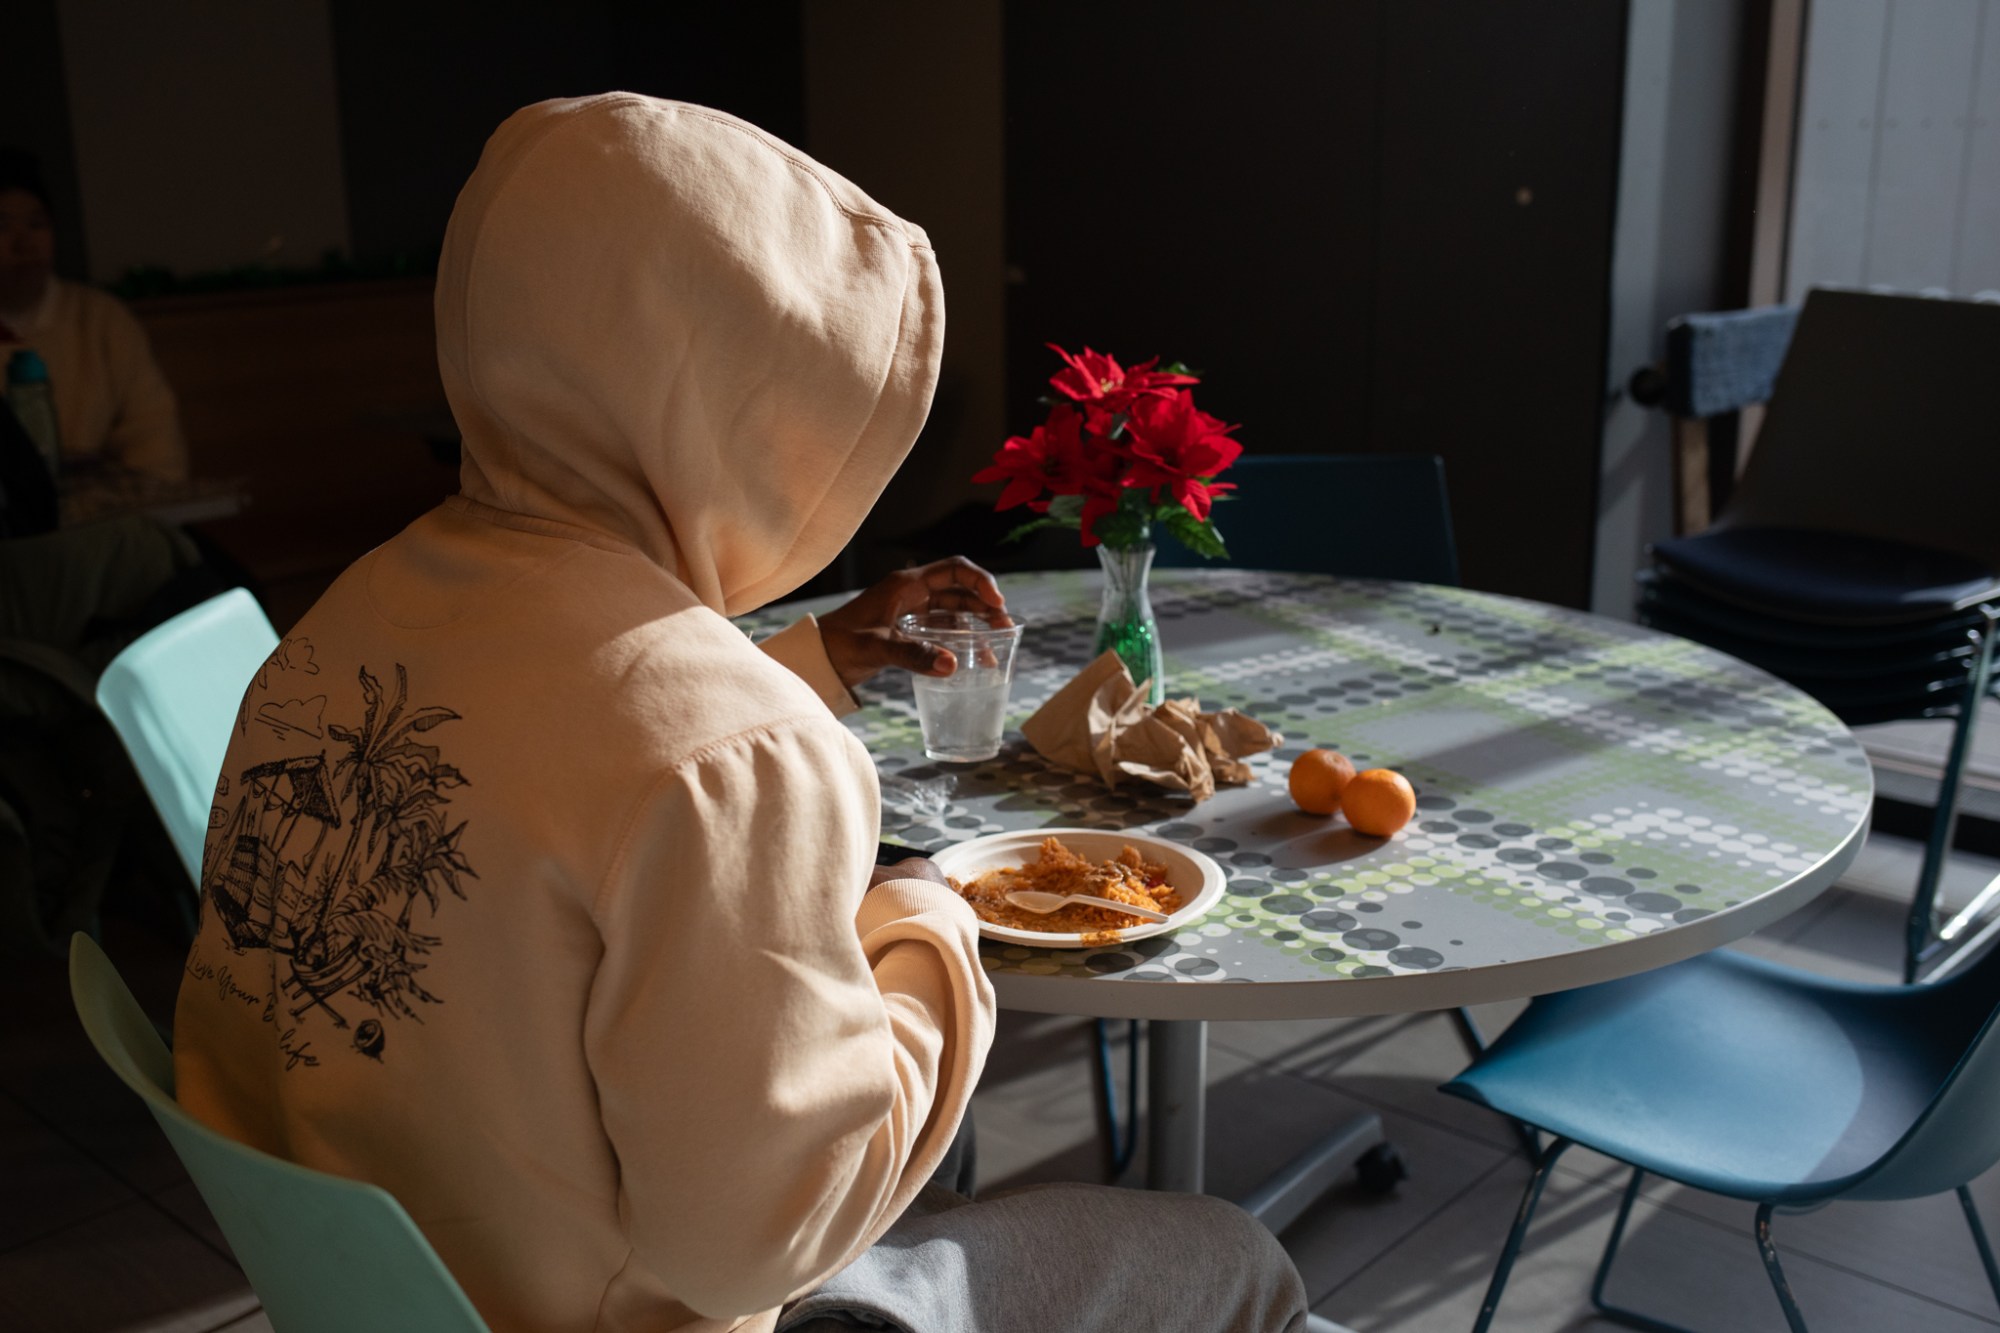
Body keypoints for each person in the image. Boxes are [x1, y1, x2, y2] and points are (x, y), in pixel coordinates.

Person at [172, 94, 1308, 1333]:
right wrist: (930, 922)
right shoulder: (735, 753)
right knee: (1230, 1258)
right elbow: (761, 1243)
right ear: (745, 410)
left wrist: (806, 660)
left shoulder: (346, 620)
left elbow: (568, 757)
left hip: (381, 1302)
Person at [0, 147, 188, 505]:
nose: (23, 244)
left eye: (36, 225)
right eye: (2, 227)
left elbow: (153, 437)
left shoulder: (101, 320)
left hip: (104, 515)